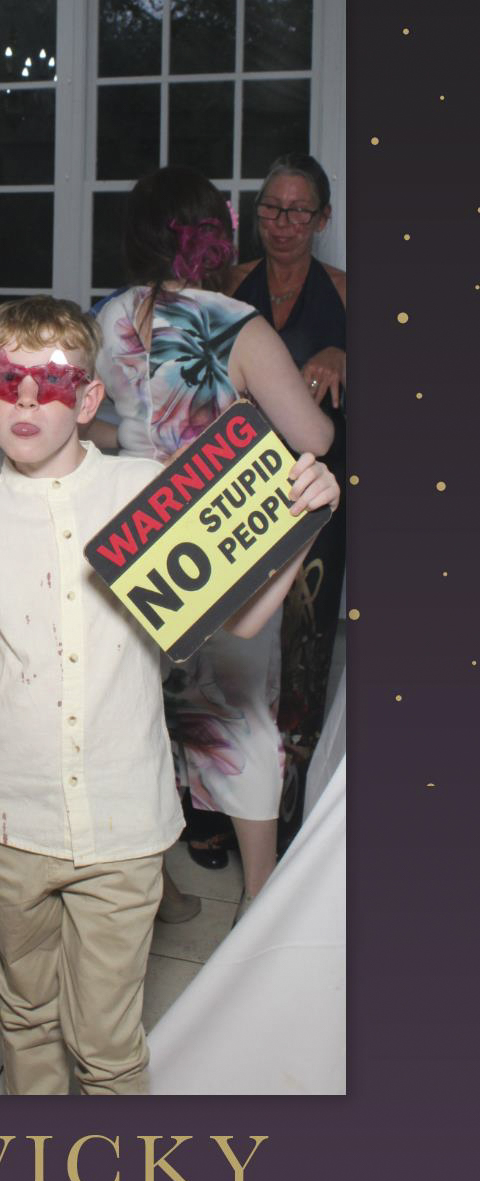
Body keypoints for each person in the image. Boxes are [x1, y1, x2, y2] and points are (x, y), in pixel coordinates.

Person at [0, 297, 339, 1094]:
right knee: (26, 1008)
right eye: (4, 379)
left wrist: (303, 524)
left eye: (49, 382)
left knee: (110, 1042)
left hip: (126, 819)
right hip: (11, 821)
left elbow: (248, 620)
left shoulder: (148, 488)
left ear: (88, 401)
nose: (24, 399)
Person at [94, 168, 334, 904]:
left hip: (136, 548)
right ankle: (257, 900)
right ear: (214, 236)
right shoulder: (237, 322)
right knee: (242, 719)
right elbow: (313, 437)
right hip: (217, 545)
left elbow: (102, 428)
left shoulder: (109, 317)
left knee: (142, 720)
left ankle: (156, 888)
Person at [225, 155, 346, 834]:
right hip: (237, 490)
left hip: (316, 490)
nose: (283, 223)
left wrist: (348, 356)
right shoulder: (231, 285)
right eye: (272, 207)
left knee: (305, 638)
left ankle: (291, 795)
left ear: (323, 219)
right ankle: (213, 800)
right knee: (226, 642)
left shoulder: (347, 291)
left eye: (299, 210)